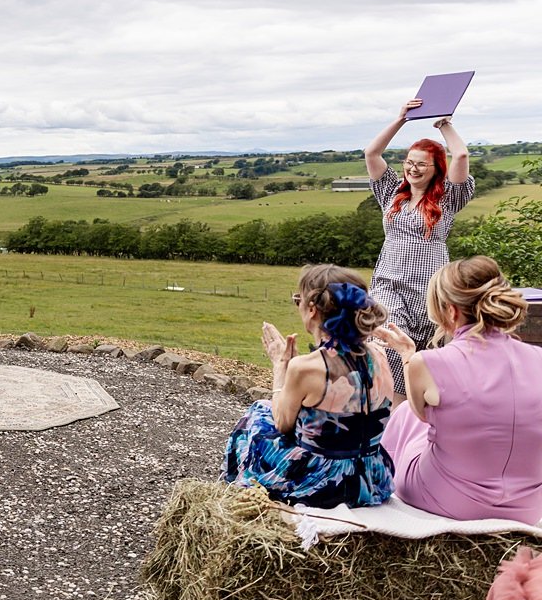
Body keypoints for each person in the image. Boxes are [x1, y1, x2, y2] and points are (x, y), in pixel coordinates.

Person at [377, 256, 542, 523]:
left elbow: (420, 413)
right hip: (529, 507)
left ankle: (379, 480)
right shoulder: (538, 357)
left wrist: (409, 355)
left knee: (407, 411)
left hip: (447, 499)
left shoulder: (429, 363)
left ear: (451, 311)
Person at [223, 264, 396, 508]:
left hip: (324, 485)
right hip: (373, 479)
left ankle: (236, 495)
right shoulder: (378, 354)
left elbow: (283, 423)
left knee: (257, 414)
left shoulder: (306, 367)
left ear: (312, 309)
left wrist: (280, 367)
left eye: (298, 301)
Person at [364, 98, 473, 399]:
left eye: (421, 163)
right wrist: (401, 119)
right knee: (391, 341)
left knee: (430, 356)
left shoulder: (448, 198)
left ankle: (422, 418)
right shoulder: (390, 192)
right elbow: (371, 152)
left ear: (436, 167)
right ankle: (396, 416)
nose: (412, 168)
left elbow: (461, 154)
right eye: (409, 162)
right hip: (389, 284)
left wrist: (443, 124)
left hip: (430, 289)